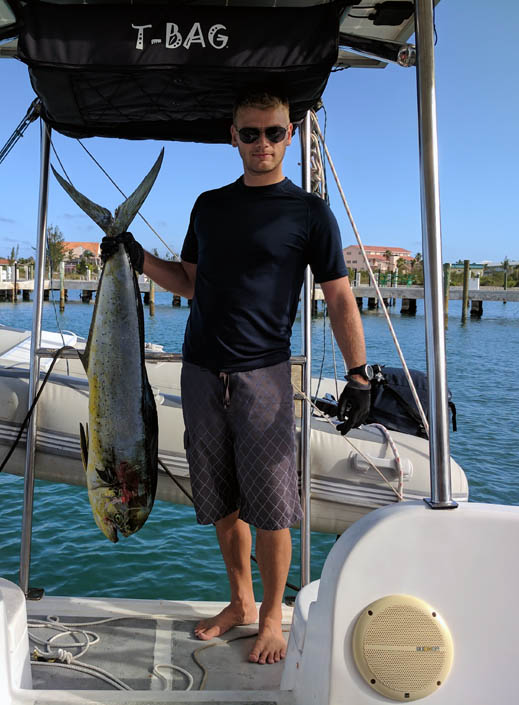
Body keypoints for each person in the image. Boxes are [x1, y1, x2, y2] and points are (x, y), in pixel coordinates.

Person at [101, 90, 370, 665]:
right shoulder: (208, 206)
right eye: (250, 133)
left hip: (263, 376)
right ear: (233, 137)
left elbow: (339, 297)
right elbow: (188, 282)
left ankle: (272, 616)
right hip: (200, 371)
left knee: (271, 507)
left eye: (273, 133)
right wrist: (135, 256)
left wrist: (358, 375)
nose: (262, 144)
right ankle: (241, 601)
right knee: (220, 501)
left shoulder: (309, 213)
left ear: (290, 135)